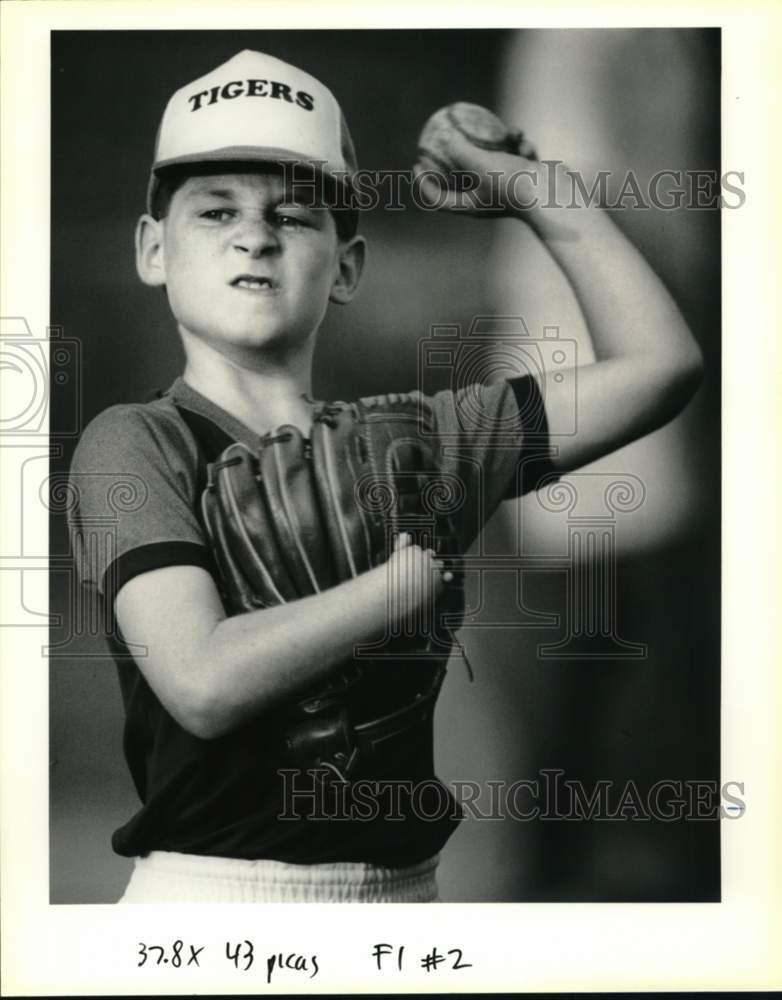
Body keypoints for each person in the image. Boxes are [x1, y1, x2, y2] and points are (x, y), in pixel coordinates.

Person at [67, 48, 703, 903]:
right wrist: (390, 592)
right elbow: (204, 683)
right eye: (214, 212)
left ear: (350, 266)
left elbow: (660, 366)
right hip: (212, 905)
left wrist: (533, 190)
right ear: (154, 250)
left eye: (293, 216)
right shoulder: (134, 443)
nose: (254, 233)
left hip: (405, 900)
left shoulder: (424, 440)